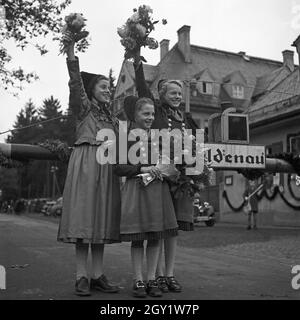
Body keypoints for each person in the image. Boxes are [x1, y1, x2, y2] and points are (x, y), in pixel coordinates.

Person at [57, 31, 121, 296]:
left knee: (102, 221)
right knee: (84, 222)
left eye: (110, 87)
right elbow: (75, 83)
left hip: (106, 168)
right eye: (103, 87)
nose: (108, 90)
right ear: (92, 91)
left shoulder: (113, 118)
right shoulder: (83, 108)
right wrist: (71, 50)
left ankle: (97, 275)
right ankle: (81, 276)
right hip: (85, 164)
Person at [131, 50, 199, 293]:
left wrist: (196, 168)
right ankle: (156, 275)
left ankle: (169, 274)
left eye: (180, 93)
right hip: (158, 178)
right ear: (162, 95)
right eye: (173, 93)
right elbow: (142, 90)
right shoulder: (157, 112)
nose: (178, 96)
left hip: (180, 179)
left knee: (173, 230)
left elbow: (196, 146)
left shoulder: (187, 118)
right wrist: (138, 61)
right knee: (158, 228)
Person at [114, 96, 178, 298]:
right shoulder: (126, 137)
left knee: (155, 237)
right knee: (138, 238)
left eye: (152, 114)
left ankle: (152, 279)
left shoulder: (161, 137)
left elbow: (171, 165)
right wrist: (143, 167)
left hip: (158, 192)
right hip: (138, 190)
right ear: (136, 115)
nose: (150, 117)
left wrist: (167, 169)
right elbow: (118, 167)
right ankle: (138, 280)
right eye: (145, 113)